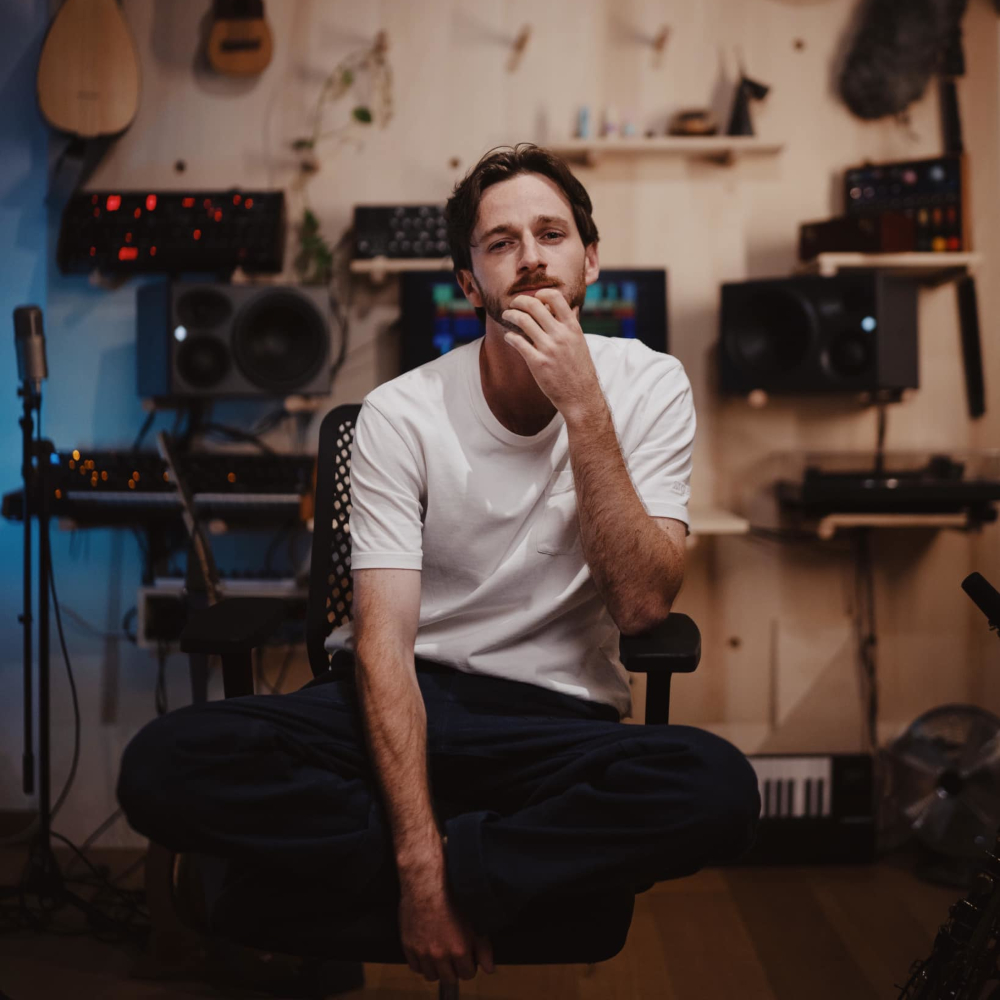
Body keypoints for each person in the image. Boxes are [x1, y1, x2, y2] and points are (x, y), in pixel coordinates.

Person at [117, 143, 760, 991]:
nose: (531, 256)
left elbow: (643, 607)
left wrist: (582, 405)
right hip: (397, 697)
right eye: (501, 243)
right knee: (161, 765)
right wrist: (420, 867)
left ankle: (409, 871)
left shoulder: (650, 387)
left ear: (590, 259)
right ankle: (466, 873)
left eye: (552, 234)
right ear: (469, 282)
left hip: (553, 720)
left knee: (719, 789)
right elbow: (382, 644)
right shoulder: (399, 413)